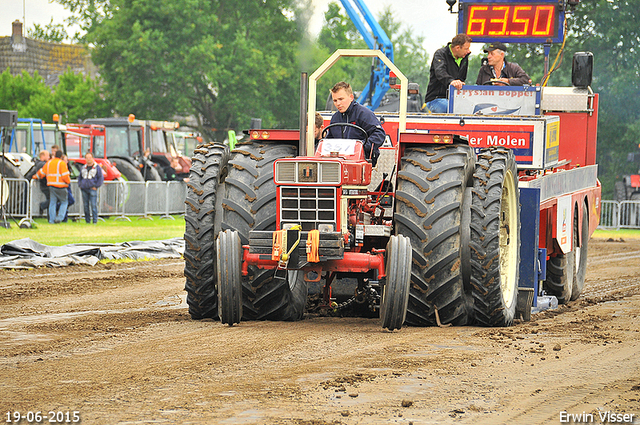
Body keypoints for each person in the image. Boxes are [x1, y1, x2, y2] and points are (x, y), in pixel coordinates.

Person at [324, 81, 386, 166]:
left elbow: (379, 134)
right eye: (335, 100)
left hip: (361, 162)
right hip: (338, 163)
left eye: (341, 99)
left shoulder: (364, 114)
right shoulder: (335, 118)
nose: (338, 103)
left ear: (351, 97)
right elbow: (329, 139)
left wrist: (361, 147)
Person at [424, 33, 472, 113]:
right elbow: (440, 72)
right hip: (436, 99)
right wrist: (451, 81)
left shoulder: (464, 58)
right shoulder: (440, 54)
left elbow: (462, 78)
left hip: (455, 99)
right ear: (457, 48)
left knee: (473, 109)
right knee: (453, 109)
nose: (468, 51)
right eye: (466, 49)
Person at [32, 149, 70, 223]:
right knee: (64, 202)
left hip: (51, 186)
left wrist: (34, 177)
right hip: (61, 186)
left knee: (52, 203)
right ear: (61, 156)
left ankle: (51, 220)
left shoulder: (49, 163)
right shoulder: (62, 163)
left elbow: (42, 173)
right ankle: (59, 218)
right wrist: (68, 182)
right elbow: (65, 176)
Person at [77, 152, 104, 224]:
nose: (88, 159)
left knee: (93, 205)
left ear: (93, 158)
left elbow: (100, 178)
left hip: (92, 189)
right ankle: (87, 221)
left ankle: (95, 221)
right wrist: (80, 185)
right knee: (85, 206)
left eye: (90, 158)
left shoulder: (97, 167)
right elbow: (80, 177)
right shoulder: (83, 167)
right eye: (87, 158)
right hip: (84, 189)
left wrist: (96, 186)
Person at [25, 150, 50, 216]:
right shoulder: (42, 164)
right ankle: (42, 206)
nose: (49, 157)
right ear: (42, 156)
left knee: (51, 199)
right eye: (48, 155)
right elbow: (42, 175)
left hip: (44, 184)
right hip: (45, 185)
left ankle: (46, 210)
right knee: (52, 199)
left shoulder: (38, 163)